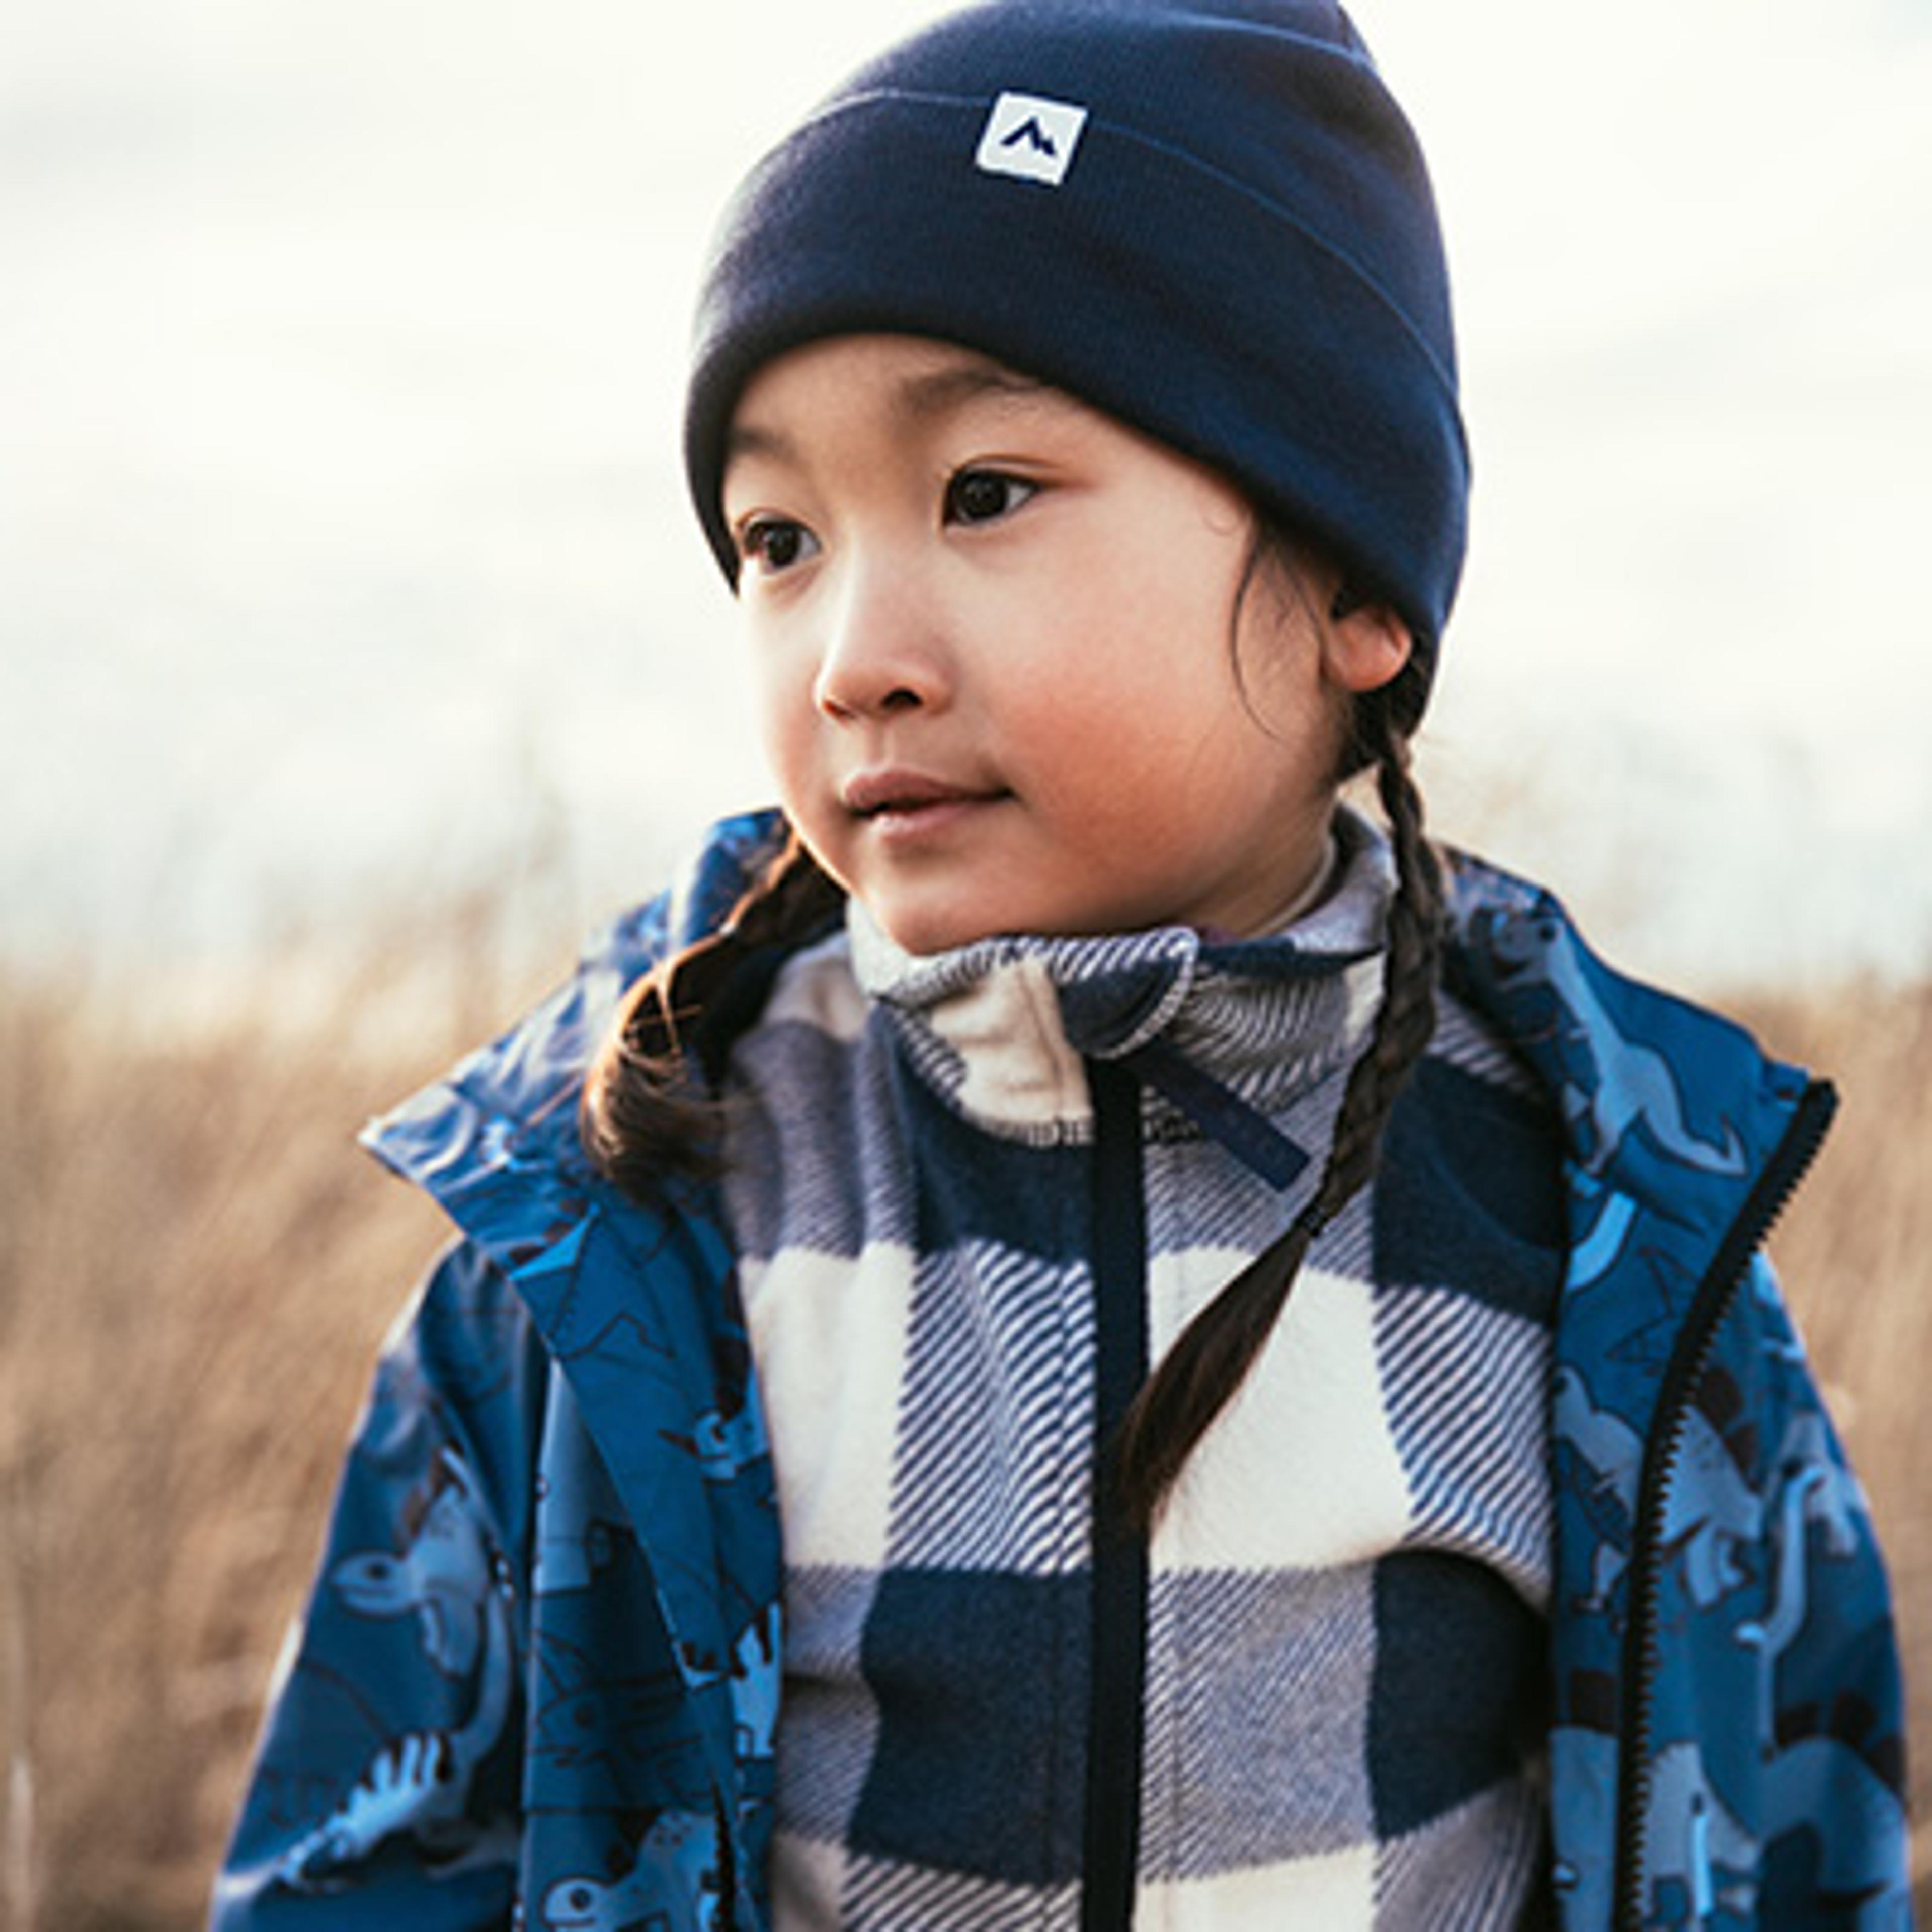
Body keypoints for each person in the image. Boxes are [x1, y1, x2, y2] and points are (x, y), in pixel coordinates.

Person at [210, 3, 1911, 1926]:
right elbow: (369, 1867)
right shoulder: (626, 1205)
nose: (853, 656)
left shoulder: (1606, 1219)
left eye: (984, 494)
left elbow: (1795, 1842)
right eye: (778, 536)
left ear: (1353, 584)